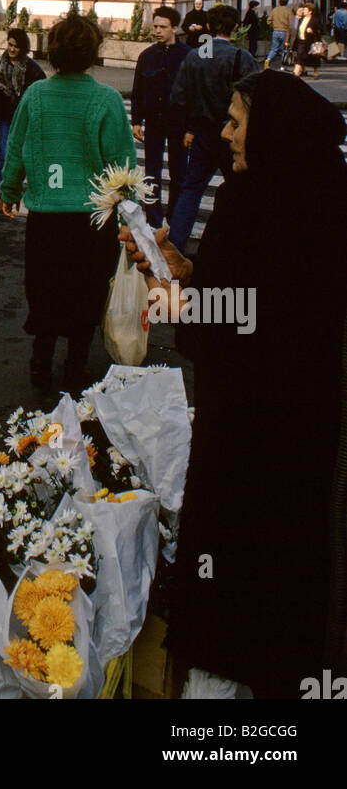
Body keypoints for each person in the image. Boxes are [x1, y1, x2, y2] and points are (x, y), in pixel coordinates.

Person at [119, 69, 347, 698]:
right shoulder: (308, 191)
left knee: (235, 609)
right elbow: (243, 299)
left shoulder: (270, 208)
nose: (226, 133)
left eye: (237, 121)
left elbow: (237, 328)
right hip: (294, 445)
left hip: (254, 449)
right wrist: (183, 268)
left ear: (272, 130)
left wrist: (173, 297)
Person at [0, 13, 135, 394]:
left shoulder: (36, 95)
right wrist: (131, 213)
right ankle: (75, 370)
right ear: (93, 53)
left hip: (46, 219)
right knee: (86, 294)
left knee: (46, 292)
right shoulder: (107, 100)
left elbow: (16, 149)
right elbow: (122, 165)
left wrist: (9, 192)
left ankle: (40, 364)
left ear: (53, 52)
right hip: (94, 222)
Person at [167, 5, 258, 251]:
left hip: (202, 132)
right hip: (231, 134)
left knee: (191, 190)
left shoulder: (194, 56)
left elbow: (178, 97)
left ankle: (174, 246)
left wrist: (189, 127)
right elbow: (254, 102)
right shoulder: (242, 58)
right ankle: (238, 246)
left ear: (208, 26)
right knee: (239, 191)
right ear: (236, 28)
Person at [130, 5, 189, 228]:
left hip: (179, 123)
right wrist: (136, 121)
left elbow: (193, 93)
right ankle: (154, 218)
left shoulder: (188, 56)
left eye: (163, 27)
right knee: (151, 173)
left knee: (179, 174)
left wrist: (191, 128)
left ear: (175, 28)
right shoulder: (147, 56)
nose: (157, 31)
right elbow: (138, 90)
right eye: (155, 26)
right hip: (154, 121)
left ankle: (174, 220)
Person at [0, 26, 45, 214]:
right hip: (6, 118)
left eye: (16, 46)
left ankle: (27, 195)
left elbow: (39, 92)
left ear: (22, 48)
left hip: (26, 120)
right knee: (3, 155)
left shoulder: (32, 69)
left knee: (27, 157)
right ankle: (3, 197)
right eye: (9, 45)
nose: (12, 49)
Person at [294, 2, 324, 79]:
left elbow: (321, 30)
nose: (303, 11)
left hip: (311, 41)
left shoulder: (315, 20)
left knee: (314, 57)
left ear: (310, 11)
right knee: (300, 56)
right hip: (301, 41)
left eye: (305, 10)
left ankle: (315, 70)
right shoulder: (301, 19)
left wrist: (312, 31)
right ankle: (296, 72)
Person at [264, 0, 293, 71]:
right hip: (285, 32)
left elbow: (268, 21)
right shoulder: (288, 11)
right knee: (285, 49)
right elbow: (291, 24)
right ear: (287, 3)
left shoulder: (275, 10)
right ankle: (283, 66)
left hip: (275, 31)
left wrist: (274, 26)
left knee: (274, 48)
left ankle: (268, 59)